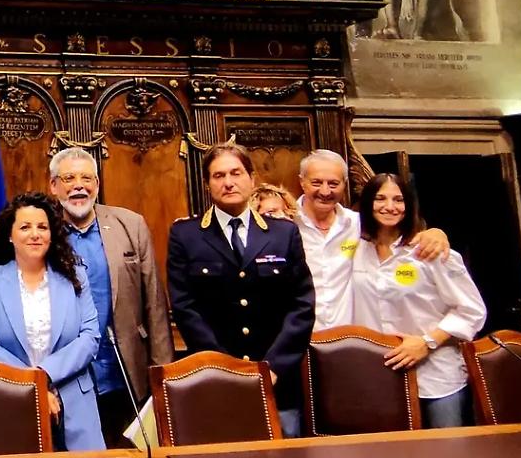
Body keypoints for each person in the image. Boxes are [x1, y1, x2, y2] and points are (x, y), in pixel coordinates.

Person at [167, 143, 314, 438]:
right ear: (208, 184)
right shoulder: (186, 235)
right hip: (215, 378)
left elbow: (302, 304)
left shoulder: (282, 233)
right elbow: (184, 307)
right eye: (218, 175)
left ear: (252, 178)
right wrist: (225, 368)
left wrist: (273, 366)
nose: (228, 182)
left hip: (277, 379)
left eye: (236, 173)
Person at [48, 148, 173, 446]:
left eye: (86, 178)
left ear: (97, 184)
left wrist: (163, 376)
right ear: (53, 186)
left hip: (125, 372)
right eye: (69, 178)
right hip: (67, 379)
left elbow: (154, 304)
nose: (79, 185)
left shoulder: (130, 225)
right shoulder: (42, 231)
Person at [0, 192, 105, 452]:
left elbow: (90, 337)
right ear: (10, 235)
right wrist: (33, 385)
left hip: (75, 399)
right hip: (12, 397)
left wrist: (44, 375)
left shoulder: (75, 276)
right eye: (25, 227)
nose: (35, 234)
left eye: (42, 227)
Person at [351, 174, 486, 428]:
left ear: (409, 205)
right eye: (380, 198)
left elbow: (472, 310)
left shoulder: (431, 251)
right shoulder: (354, 250)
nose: (389, 206)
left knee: (447, 455)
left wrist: (428, 342)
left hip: (436, 375)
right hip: (380, 376)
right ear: (367, 203)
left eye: (398, 199)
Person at [296, 149, 448, 332]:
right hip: (299, 336)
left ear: (345, 185)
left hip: (349, 338)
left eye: (334, 183)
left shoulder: (360, 224)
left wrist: (436, 232)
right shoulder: (283, 225)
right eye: (316, 182)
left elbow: (398, 228)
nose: (325, 191)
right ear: (302, 182)